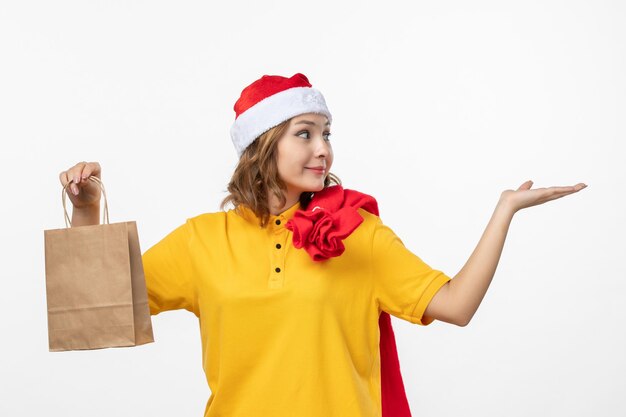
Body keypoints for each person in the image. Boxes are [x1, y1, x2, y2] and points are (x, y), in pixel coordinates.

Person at [58, 73, 587, 417]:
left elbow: (456, 305)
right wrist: (86, 210)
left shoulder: (357, 234)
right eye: (306, 133)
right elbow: (98, 308)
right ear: (263, 146)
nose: (324, 150)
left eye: (327, 134)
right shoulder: (203, 240)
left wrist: (503, 213)